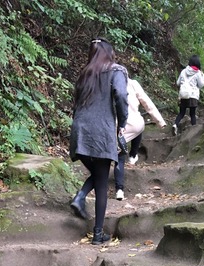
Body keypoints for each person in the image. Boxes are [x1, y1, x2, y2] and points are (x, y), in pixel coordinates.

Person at [69, 37, 128, 245]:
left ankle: (81, 196)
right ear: (109, 53)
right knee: (102, 182)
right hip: (101, 131)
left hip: (80, 130)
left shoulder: (84, 74)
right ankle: (97, 234)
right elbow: (121, 95)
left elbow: (76, 103)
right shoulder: (117, 70)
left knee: (98, 175)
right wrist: (122, 122)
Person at [114, 77, 166, 200]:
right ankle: (133, 155)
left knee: (119, 158)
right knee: (138, 127)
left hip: (118, 126)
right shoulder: (132, 83)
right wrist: (160, 121)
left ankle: (119, 190)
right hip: (135, 123)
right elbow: (147, 103)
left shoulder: (109, 84)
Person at [172, 55, 204, 136]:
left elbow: (178, 83)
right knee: (192, 114)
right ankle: (193, 131)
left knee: (181, 113)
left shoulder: (183, 71)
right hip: (193, 96)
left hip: (184, 95)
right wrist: (203, 76)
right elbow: (201, 85)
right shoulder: (198, 73)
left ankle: (175, 125)